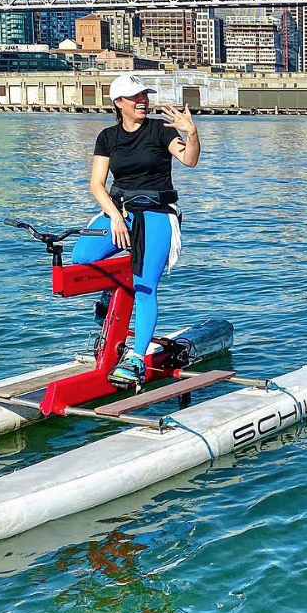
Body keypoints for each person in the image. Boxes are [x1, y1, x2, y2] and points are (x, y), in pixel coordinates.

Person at [71, 73, 200, 385]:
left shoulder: (159, 130)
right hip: (120, 211)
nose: (142, 101)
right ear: (118, 103)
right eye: (135, 97)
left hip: (157, 213)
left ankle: (137, 358)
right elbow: (96, 184)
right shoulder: (107, 137)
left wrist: (192, 134)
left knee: (145, 286)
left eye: (144, 95)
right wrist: (114, 215)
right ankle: (110, 293)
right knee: (81, 258)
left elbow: (189, 160)